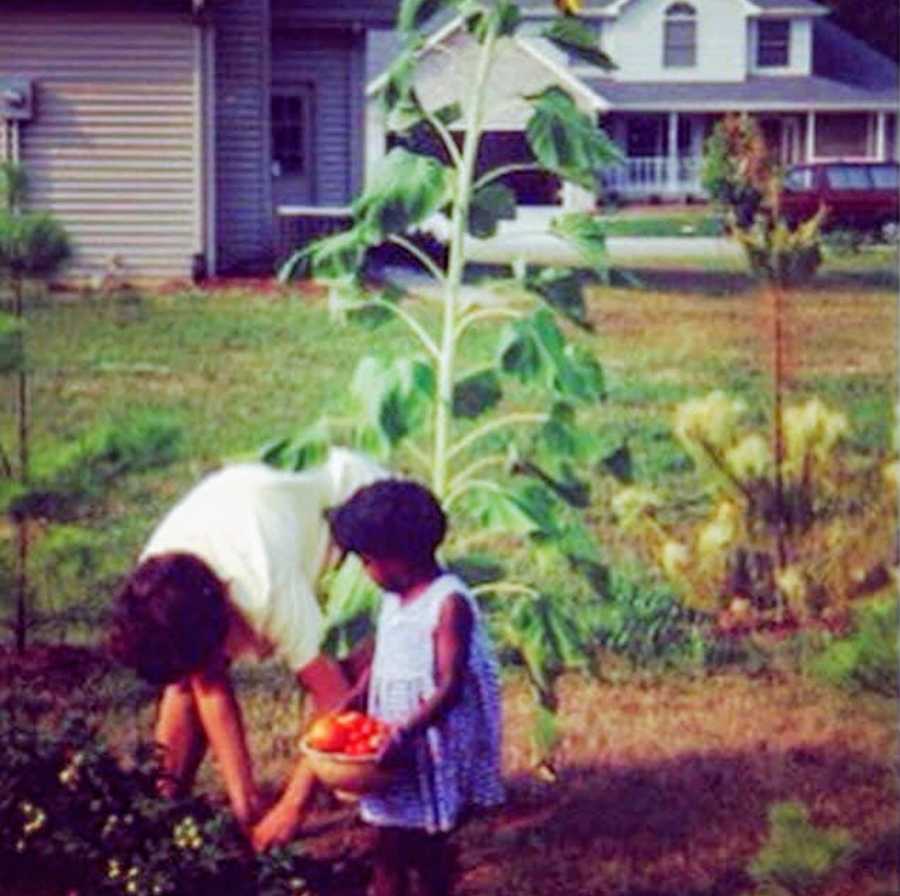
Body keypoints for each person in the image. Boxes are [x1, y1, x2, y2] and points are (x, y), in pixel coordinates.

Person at [107, 447, 387, 851]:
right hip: (256, 510)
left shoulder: (265, 586)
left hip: (352, 507)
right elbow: (207, 684)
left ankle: (395, 819)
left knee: (358, 673)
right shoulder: (161, 578)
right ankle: (163, 809)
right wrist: (245, 802)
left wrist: (290, 809)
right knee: (184, 687)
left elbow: (333, 699)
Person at [327, 479, 505, 896]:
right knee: (387, 840)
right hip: (391, 744)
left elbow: (450, 685)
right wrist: (354, 700)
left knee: (425, 845)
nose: (365, 572)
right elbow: (383, 659)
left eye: (368, 561)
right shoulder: (393, 598)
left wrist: (406, 730)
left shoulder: (447, 603)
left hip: (427, 742)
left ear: (399, 557)